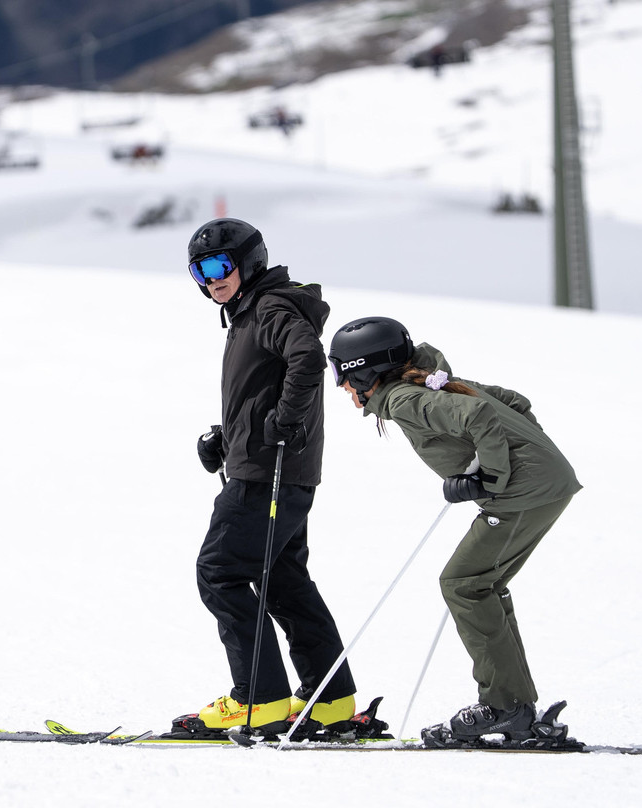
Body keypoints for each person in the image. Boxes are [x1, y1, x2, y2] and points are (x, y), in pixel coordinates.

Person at [327, 316, 581, 745]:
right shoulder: (431, 383)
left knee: (464, 584)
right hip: (541, 485)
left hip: (526, 492)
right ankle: (515, 706)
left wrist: (492, 478)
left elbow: (480, 412)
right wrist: (518, 460)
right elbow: (512, 402)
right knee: (482, 583)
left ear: (366, 370)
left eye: (343, 374)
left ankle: (506, 707)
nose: (341, 386)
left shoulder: (404, 399)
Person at [182, 217, 356, 735]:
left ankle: (260, 699)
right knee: (283, 579)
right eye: (199, 270)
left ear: (249, 260)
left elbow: (307, 358)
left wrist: (282, 423)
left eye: (219, 264)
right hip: (271, 467)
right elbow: (267, 384)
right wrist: (230, 438)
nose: (211, 277)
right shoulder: (249, 312)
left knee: (220, 571)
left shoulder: (270, 306)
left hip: (268, 473)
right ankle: (328, 699)